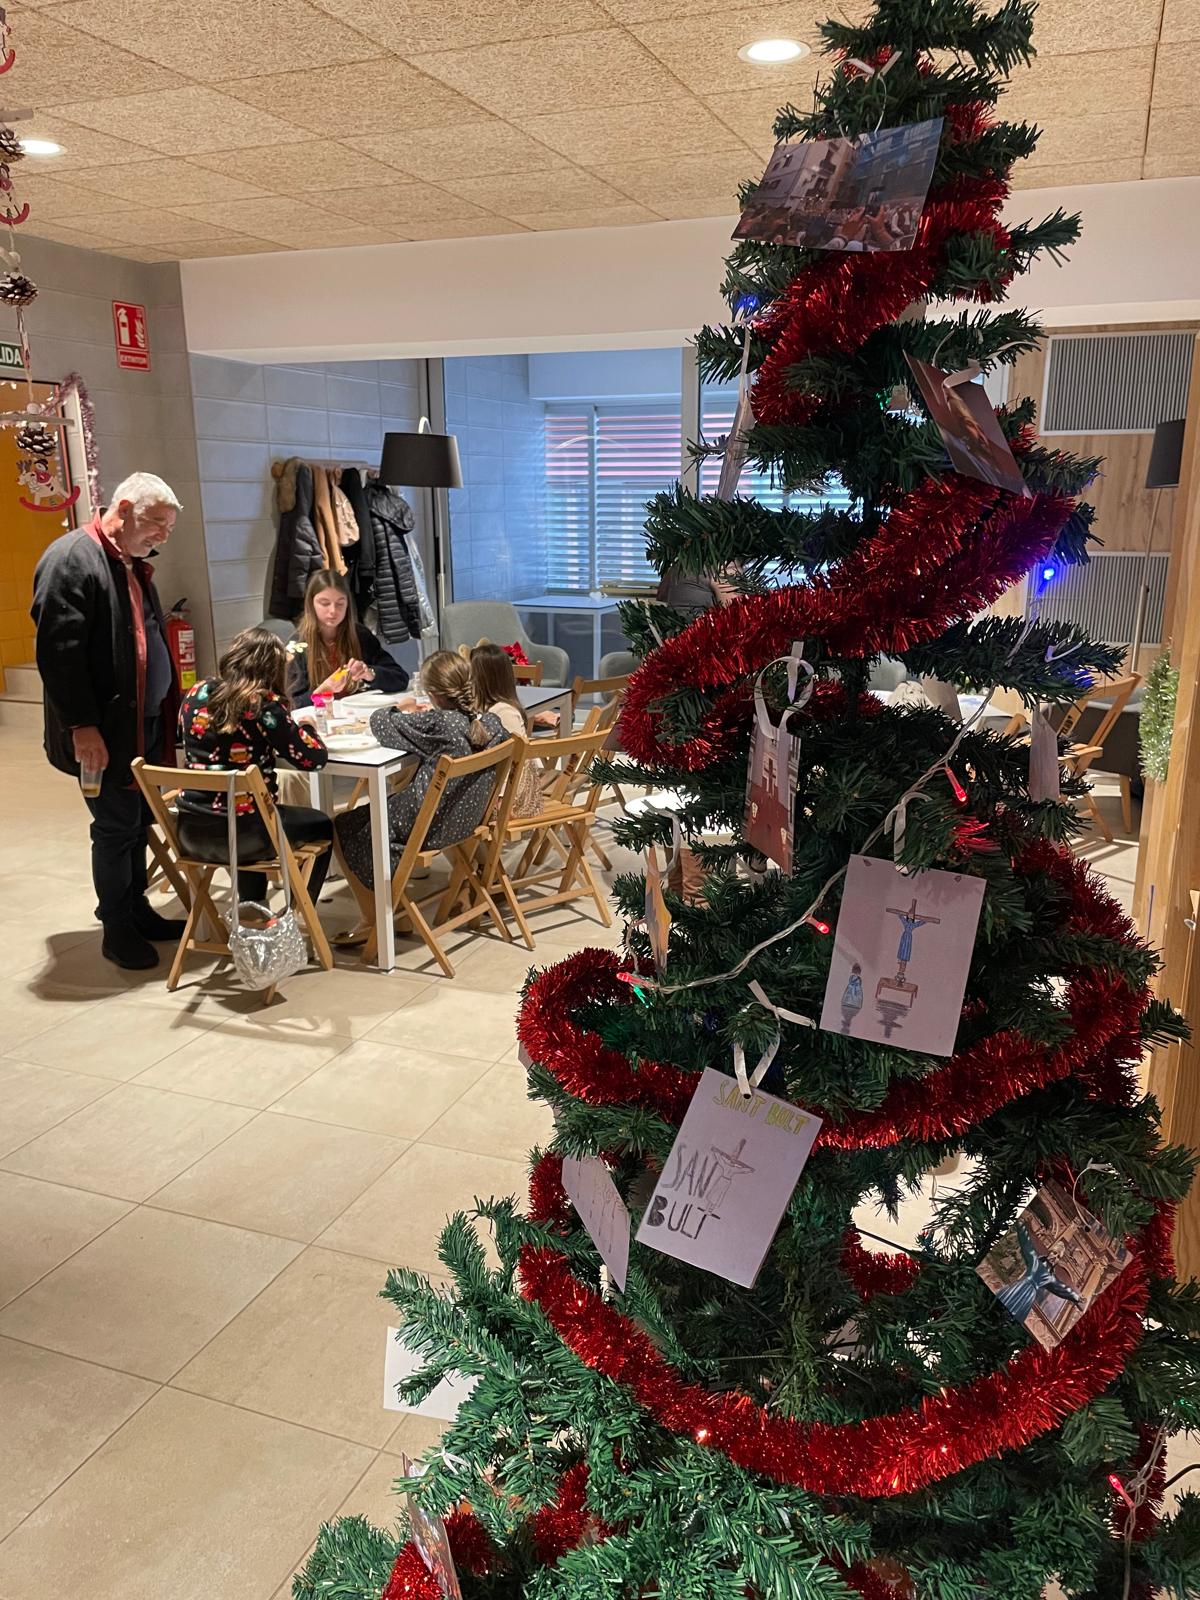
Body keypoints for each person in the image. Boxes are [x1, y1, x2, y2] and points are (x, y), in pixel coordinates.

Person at [32, 472, 185, 969]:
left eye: (168, 528)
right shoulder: (73, 558)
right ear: (122, 509)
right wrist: (82, 726)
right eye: (156, 523)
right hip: (102, 731)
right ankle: (116, 926)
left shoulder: (129, 559)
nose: (162, 536)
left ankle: (137, 909)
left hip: (141, 723)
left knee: (139, 823)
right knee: (116, 827)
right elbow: (59, 652)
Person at [334, 650, 507, 925]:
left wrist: (401, 707)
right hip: (468, 820)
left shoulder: (439, 724)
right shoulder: (491, 724)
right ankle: (393, 910)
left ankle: (378, 921)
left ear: (433, 695)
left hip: (429, 826)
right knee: (369, 816)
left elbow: (381, 723)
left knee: (344, 824)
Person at [175, 628, 334, 908]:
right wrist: (308, 728)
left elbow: (184, 737)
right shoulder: (262, 705)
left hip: (191, 831)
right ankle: (296, 916)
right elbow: (313, 759)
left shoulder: (196, 693)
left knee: (246, 813)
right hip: (247, 837)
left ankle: (254, 910)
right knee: (320, 824)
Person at [286, 568, 409, 708]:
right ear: (311, 604)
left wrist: (370, 673)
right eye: (324, 603)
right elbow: (292, 704)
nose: (333, 611)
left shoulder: (360, 635)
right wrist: (324, 691)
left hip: (358, 714)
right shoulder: (298, 645)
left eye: (340, 604)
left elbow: (400, 679)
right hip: (320, 718)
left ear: (347, 604)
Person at [469, 641, 544, 817]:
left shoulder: (503, 712)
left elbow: (515, 759)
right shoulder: (499, 706)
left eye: (471, 675)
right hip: (511, 790)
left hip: (513, 798)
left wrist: (503, 797)